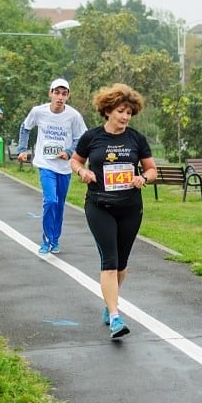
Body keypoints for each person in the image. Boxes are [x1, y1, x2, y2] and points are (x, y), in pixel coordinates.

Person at [70, 83, 156, 339]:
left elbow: (151, 169)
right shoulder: (92, 137)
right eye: (121, 111)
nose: (125, 117)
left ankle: (110, 304)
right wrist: (82, 172)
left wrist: (144, 178)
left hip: (130, 207)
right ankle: (115, 316)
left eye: (129, 113)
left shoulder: (136, 139)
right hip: (99, 205)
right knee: (109, 261)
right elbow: (76, 160)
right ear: (108, 110)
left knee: (121, 264)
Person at [17, 78, 87, 255]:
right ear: (50, 93)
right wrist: (22, 149)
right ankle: (46, 240)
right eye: (57, 93)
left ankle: (55, 239)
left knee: (60, 205)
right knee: (51, 201)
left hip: (64, 167)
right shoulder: (38, 111)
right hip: (45, 163)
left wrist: (69, 151)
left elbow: (82, 137)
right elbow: (25, 128)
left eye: (64, 94)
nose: (60, 97)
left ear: (68, 96)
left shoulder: (74, 116)